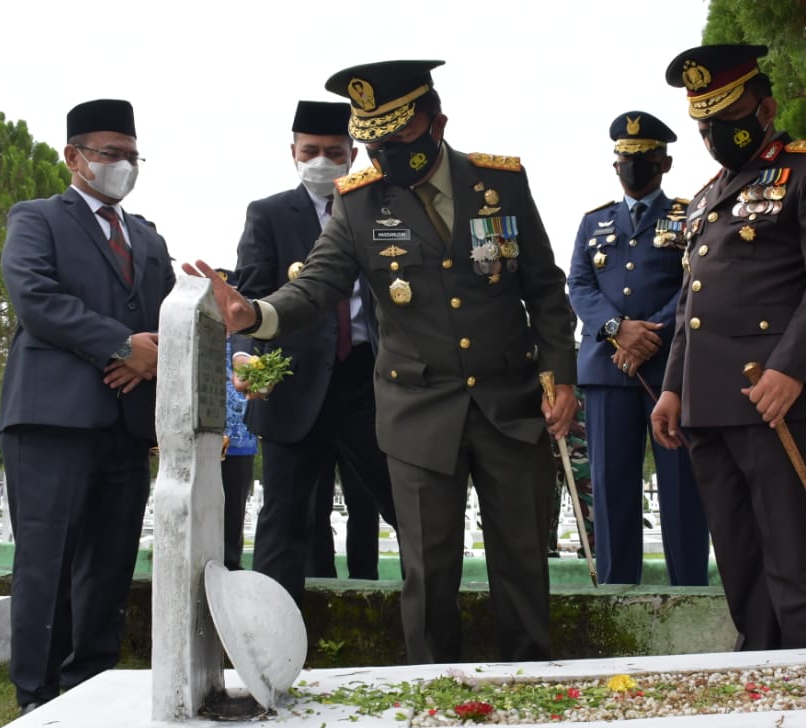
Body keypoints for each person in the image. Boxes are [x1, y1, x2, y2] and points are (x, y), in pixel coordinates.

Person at [187, 60, 576, 663]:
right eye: (373, 142)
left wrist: (561, 376)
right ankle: (434, 689)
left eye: (397, 139)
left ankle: (531, 682)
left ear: (436, 123)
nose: (384, 154)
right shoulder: (361, 203)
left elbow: (546, 290)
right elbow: (315, 286)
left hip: (508, 403)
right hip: (419, 410)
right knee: (429, 569)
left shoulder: (500, 184)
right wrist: (253, 315)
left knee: (522, 560)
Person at [651, 44, 806, 650]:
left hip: (772, 392)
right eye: (704, 123)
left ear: (765, 106)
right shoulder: (705, 196)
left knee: (789, 542)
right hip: (708, 401)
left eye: (725, 116)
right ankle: (759, 661)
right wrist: (671, 388)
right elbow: (693, 305)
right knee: (737, 548)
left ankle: (803, 667)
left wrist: (791, 370)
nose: (714, 133)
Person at [0, 99, 175, 712]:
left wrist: (168, 348)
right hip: (52, 421)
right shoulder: (38, 219)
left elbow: (167, 317)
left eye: (131, 156)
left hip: (126, 427)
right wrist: (121, 345)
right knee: (47, 562)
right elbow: (36, 299)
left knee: (109, 566)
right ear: (74, 157)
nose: (121, 166)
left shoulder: (148, 237)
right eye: (109, 154)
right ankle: (37, 694)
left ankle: (90, 691)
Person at [233, 101, 395, 599]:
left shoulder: (382, 207)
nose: (321, 162)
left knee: (403, 505)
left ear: (352, 155)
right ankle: (268, 635)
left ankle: (426, 636)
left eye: (333, 152)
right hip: (291, 381)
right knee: (284, 515)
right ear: (293, 153)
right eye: (310, 152)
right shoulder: (269, 214)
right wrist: (246, 354)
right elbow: (249, 296)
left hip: (370, 383)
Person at [567, 111, 707, 585]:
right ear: (615, 166)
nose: (634, 167)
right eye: (626, 159)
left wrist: (650, 333)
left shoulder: (689, 216)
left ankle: (689, 588)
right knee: (610, 489)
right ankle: (615, 590)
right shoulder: (594, 222)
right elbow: (579, 285)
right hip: (607, 371)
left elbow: (694, 285)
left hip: (669, 370)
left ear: (663, 163)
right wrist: (616, 328)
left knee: (682, 486)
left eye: (644, 159)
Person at [218, 269, 256, 571]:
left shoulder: (247, 336)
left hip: (240, 439)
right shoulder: (198, 330)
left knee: (234, 511)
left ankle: (231, 568)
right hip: (202, 436)